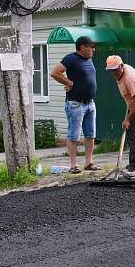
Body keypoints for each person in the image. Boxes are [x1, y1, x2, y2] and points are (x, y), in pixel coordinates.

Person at [50, 36, 99, 174]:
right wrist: (68, 83)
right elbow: (54, 72)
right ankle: (73, 165)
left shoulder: (88, 59)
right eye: (91, 47)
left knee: (90, 134)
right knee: (74, 135)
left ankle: (89, 163)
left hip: (90, 103)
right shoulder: (70, 58)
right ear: (82, 47)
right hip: (75, 104)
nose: (93, 50)